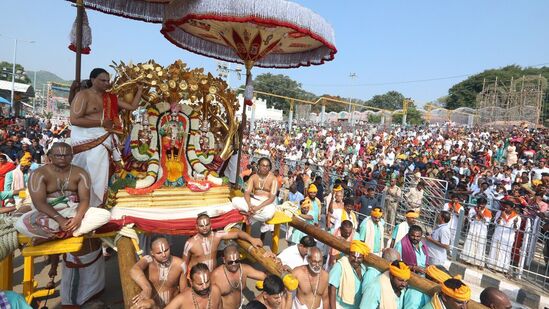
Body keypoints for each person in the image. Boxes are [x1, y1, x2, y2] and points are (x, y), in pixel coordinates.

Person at [15, 142, 111, 307]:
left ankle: (63, 232)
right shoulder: (38, 174)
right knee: (21, 223)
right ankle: (65, 231)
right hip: (48, 215)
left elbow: (85, 200)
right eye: (58, 155)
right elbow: (39, 203)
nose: (62, 158)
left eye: (66, 155)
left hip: (73, 212)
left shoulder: (80, 173)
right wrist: (60, 220)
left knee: (104, 215)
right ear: (50, 156)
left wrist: (78, 218)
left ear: (72, 156)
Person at [70, 68, 143, 208]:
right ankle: (81, 204)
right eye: (103, 80)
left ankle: (96, 205)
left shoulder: (111, 98)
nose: (106, 83)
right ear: (93, 80)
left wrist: (139, 90)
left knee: (100, 176)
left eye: (108, 80)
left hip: (103, 140)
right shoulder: (83, 95)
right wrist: (101, 123)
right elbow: (74, 120)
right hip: (85, 141)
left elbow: (132, 107)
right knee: (84, 175)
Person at [182, 213, 263, 286]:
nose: (204, 228)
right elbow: (183, 265)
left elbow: (238, 234)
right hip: (196, 277)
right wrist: (184, 286)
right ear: (196, 227)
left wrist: (252, 239)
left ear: (211, 225)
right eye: (201, 226)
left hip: (212, 274)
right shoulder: (190, 243)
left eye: (207, 225)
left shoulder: (217, 236)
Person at [130, 237, 184, 308]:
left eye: (166, 250)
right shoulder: (148, 260)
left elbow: (184, 292)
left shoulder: (180, 264)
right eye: (159, 253)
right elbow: (134, 270)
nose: (164, 255)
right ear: (152, 253)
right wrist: (147, 288)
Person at [211, 245, 266, 309]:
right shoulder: (216, 276)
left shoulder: (244, 269)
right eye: (230, 262)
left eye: (237, 261)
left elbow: (265, 277)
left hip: (240, 306)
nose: (234, 264)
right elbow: (209, 298)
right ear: (224, 260)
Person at [232, 157, 277, 223]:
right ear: (258, 166)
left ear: (269, 168)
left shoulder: (273, 179)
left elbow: (272, 198)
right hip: (254, 201)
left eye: (267, 166)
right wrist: (250, 205)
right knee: (235, 200)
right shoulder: (253, 177)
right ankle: (252, 213)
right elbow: (247, 193)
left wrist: (258, 207)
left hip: (266, 203)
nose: (265, 168)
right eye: (263, 165)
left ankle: (249, 213)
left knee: (268, 214)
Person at [328, 240, 370, 309]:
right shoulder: (340, 266)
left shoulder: (364, 269)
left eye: (359, 258)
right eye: (353, 256)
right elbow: (332, 289)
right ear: (349, 254)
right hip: (340, 306)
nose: (356, 260)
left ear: (363, 258)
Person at [395, 225, 429, 309]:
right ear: (409, 234)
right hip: (408, 282)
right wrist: (413, 268)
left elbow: (425, 262)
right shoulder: (401, 245)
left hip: (422, 281)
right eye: (413, 235)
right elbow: (396, 264)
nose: (415, 238)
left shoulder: (423, 246)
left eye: (418, 236)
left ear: (421, 236)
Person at [487, 200, 521, 272]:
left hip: (508, 237)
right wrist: (499, 217)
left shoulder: (517, 217)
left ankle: (502, 268)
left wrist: (515, 223)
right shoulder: (500, 213)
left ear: (512, 208)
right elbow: (496, 223)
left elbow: (516, 229)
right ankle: (492, 265)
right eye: (505, 207)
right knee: (494, 249)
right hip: (498, 234)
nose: (505, 209)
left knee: (505, 252)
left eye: (507, 208)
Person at [461, 198, 492, 268]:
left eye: (483, 204)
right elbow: (470, 219)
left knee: (480, 246)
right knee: (470, 244)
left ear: (485, 205)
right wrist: (477, 213)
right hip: (473, 229)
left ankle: (479, 263)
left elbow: (486, 222)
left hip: (482, 231)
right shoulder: (472, 210)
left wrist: (481, 213)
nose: (481, 205)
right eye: (479, 204)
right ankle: (467, 259)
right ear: (477, 204)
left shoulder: (488, 212)